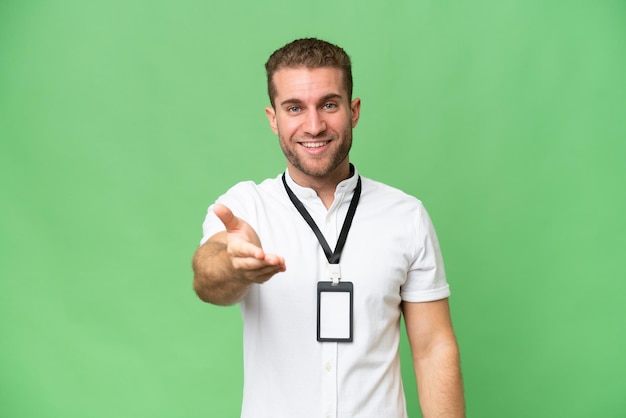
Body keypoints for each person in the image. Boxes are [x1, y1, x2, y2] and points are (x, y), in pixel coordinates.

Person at [192, 38, 465, 418]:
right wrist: (234, 266)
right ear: (274, 119)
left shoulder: (406, 216)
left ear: (353, 111)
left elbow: (433, 347)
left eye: (329, 104)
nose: (314, 125)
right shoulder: (244, 209)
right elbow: (208, 279)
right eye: (294, 108)